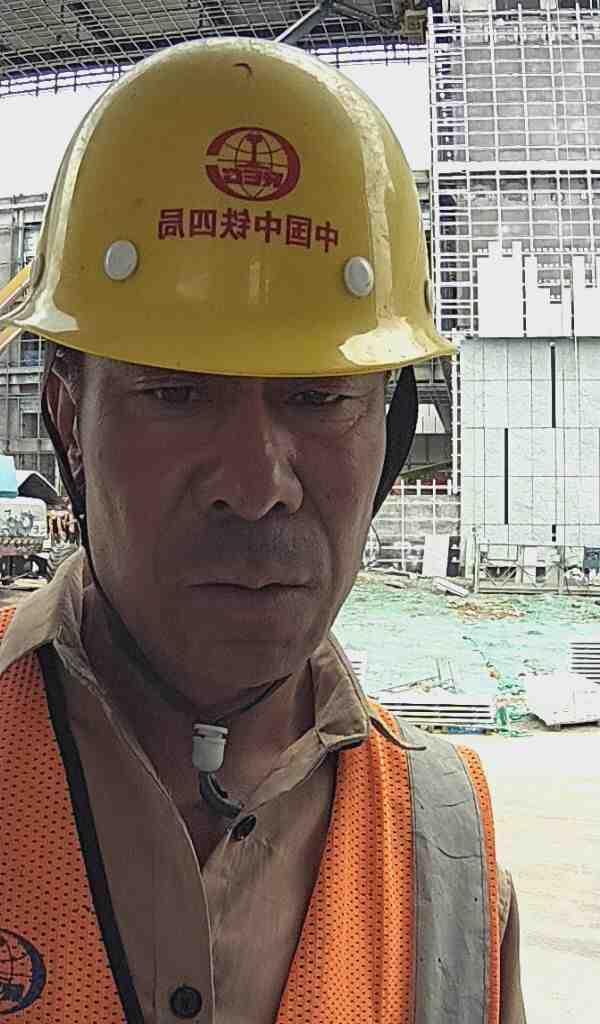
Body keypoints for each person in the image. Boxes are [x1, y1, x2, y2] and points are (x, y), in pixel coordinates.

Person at [0, 39, 526, 1023]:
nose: (255, 487)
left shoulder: (445, 862)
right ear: (68, 417)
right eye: (175, 393)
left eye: (318, 397)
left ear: (389, 431)